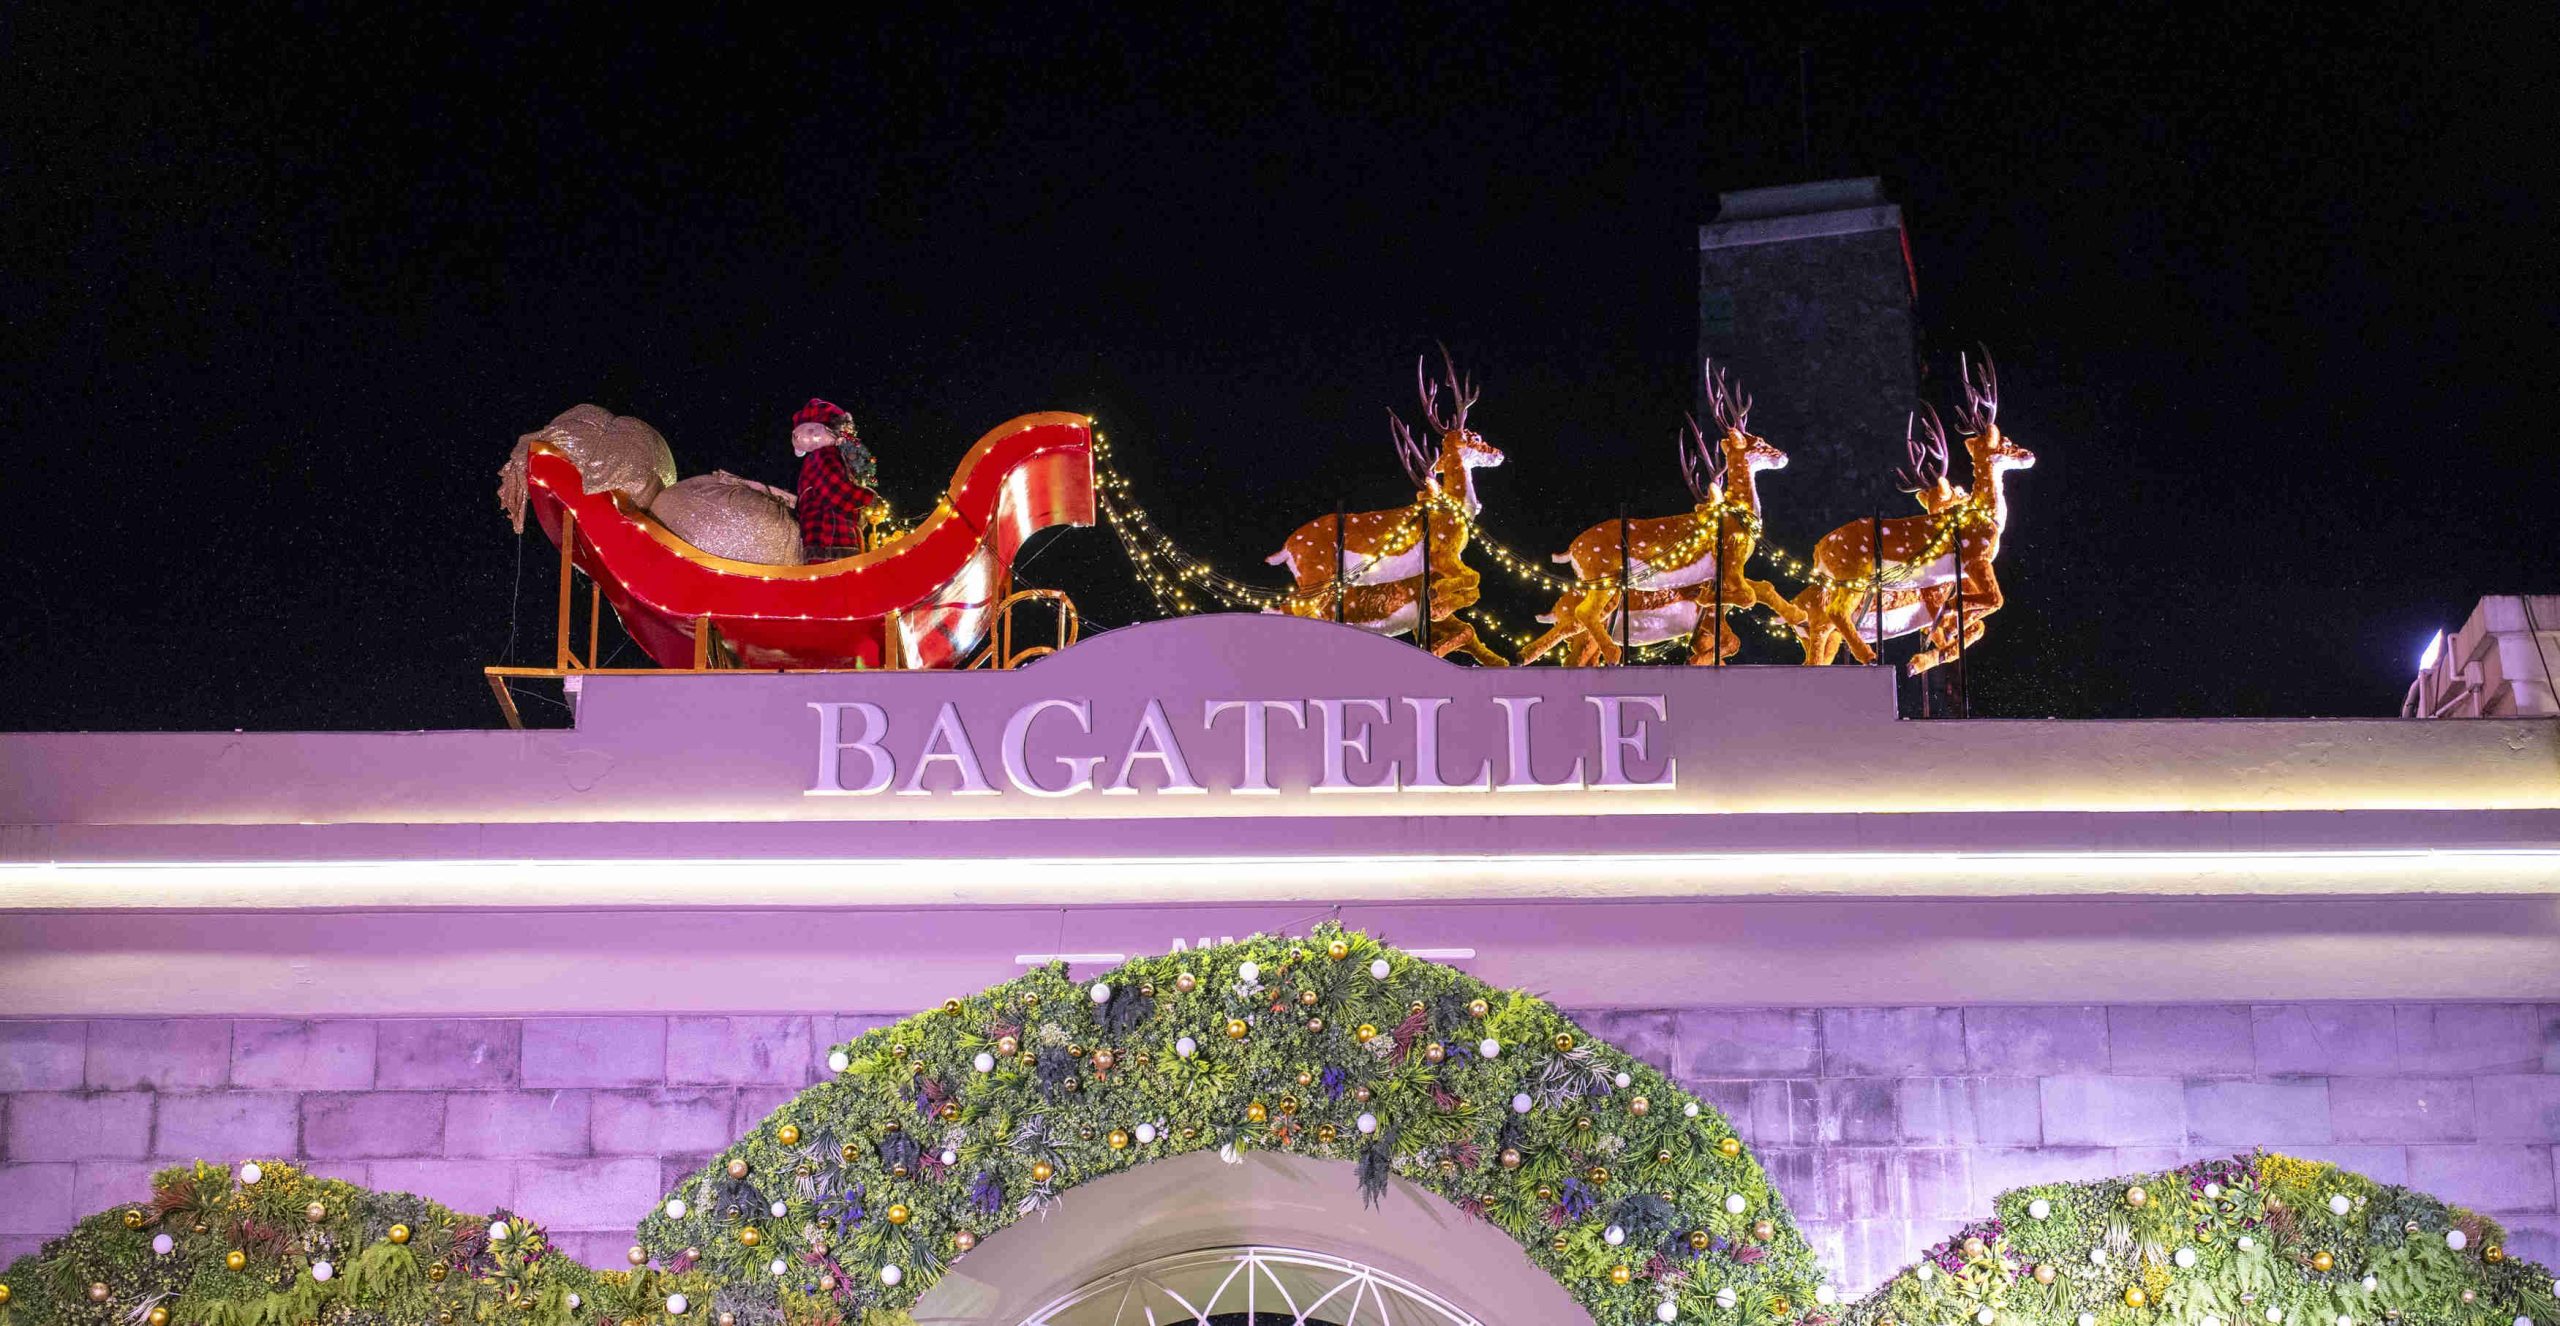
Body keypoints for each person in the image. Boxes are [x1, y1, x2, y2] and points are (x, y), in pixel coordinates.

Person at [791, 399, 881, 560]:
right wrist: (870, 499)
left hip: (820, 537)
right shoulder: (825, 454)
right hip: (832, 538)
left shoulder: (815, 458)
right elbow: (836, 490)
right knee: (840, 581)